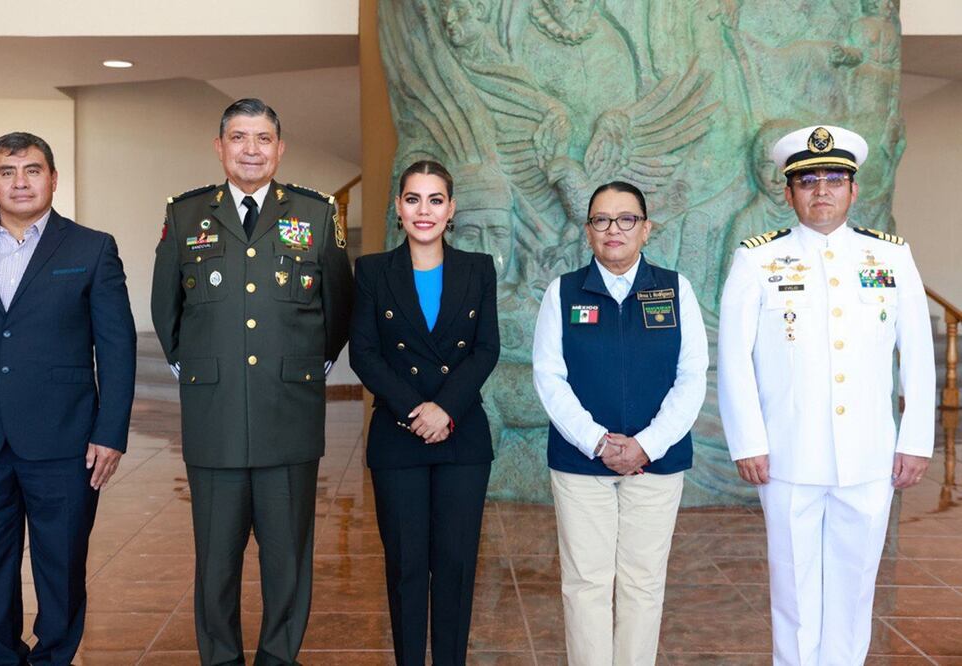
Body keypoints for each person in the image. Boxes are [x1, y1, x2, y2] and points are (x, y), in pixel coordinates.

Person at [0, 131, 137, 664]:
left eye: (32, 170)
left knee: (60, 567)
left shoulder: (92, 247)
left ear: (53, 179)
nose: (20, 182)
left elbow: (118, 346)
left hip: (66, 439)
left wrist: (111, 431)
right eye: (7, 171)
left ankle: (54, 657)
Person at [718, 124, 935, 665]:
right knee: (792, 593)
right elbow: (734, 360)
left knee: (855, 589)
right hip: (789, 454)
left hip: (869, 455)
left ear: (853, 190)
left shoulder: (890, 257)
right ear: (788, 193)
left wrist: (916, 441)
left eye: (834, 179)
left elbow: (918, 354)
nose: (822, 190)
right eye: (807, 180)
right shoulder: (757, 260)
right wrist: (748, 440)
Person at [150, 98, 353, 666]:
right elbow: (167, 310)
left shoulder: (316, 214)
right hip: (213, 416)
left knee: (287, 559)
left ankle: (277, 658)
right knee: (215, 559)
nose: (251, 150)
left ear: (280, 149)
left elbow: (338, 311)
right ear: (219, 148)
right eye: (239, 138)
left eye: (263, 139)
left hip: (288, 413)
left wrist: (305, 367)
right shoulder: (187, 213)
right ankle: (219, 658)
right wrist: (198, 370)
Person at [532, 181, 708, 665]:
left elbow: (692, 377)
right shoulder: (563, 292)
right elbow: (549, 377)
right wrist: (597, 442)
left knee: (643, 583)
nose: (614, 229)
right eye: (601, 220)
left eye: (626, 219)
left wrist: (646, 445)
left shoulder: (675, 289)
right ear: (588, 230)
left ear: (646, 229)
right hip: (580, 464)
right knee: (586, 583)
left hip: (657, 463)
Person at [349, 160, 499, 666]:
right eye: (413, 199)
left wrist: (445, 410)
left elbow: (485, 350)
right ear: (398, 207)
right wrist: (418, 408)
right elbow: (363, 353)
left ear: (451, 209)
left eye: (436, 200)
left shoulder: (478, 269)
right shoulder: (372, 271)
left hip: (462, 440)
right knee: (407, 565)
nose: (424, 210)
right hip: (399, 436)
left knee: (456, 565)